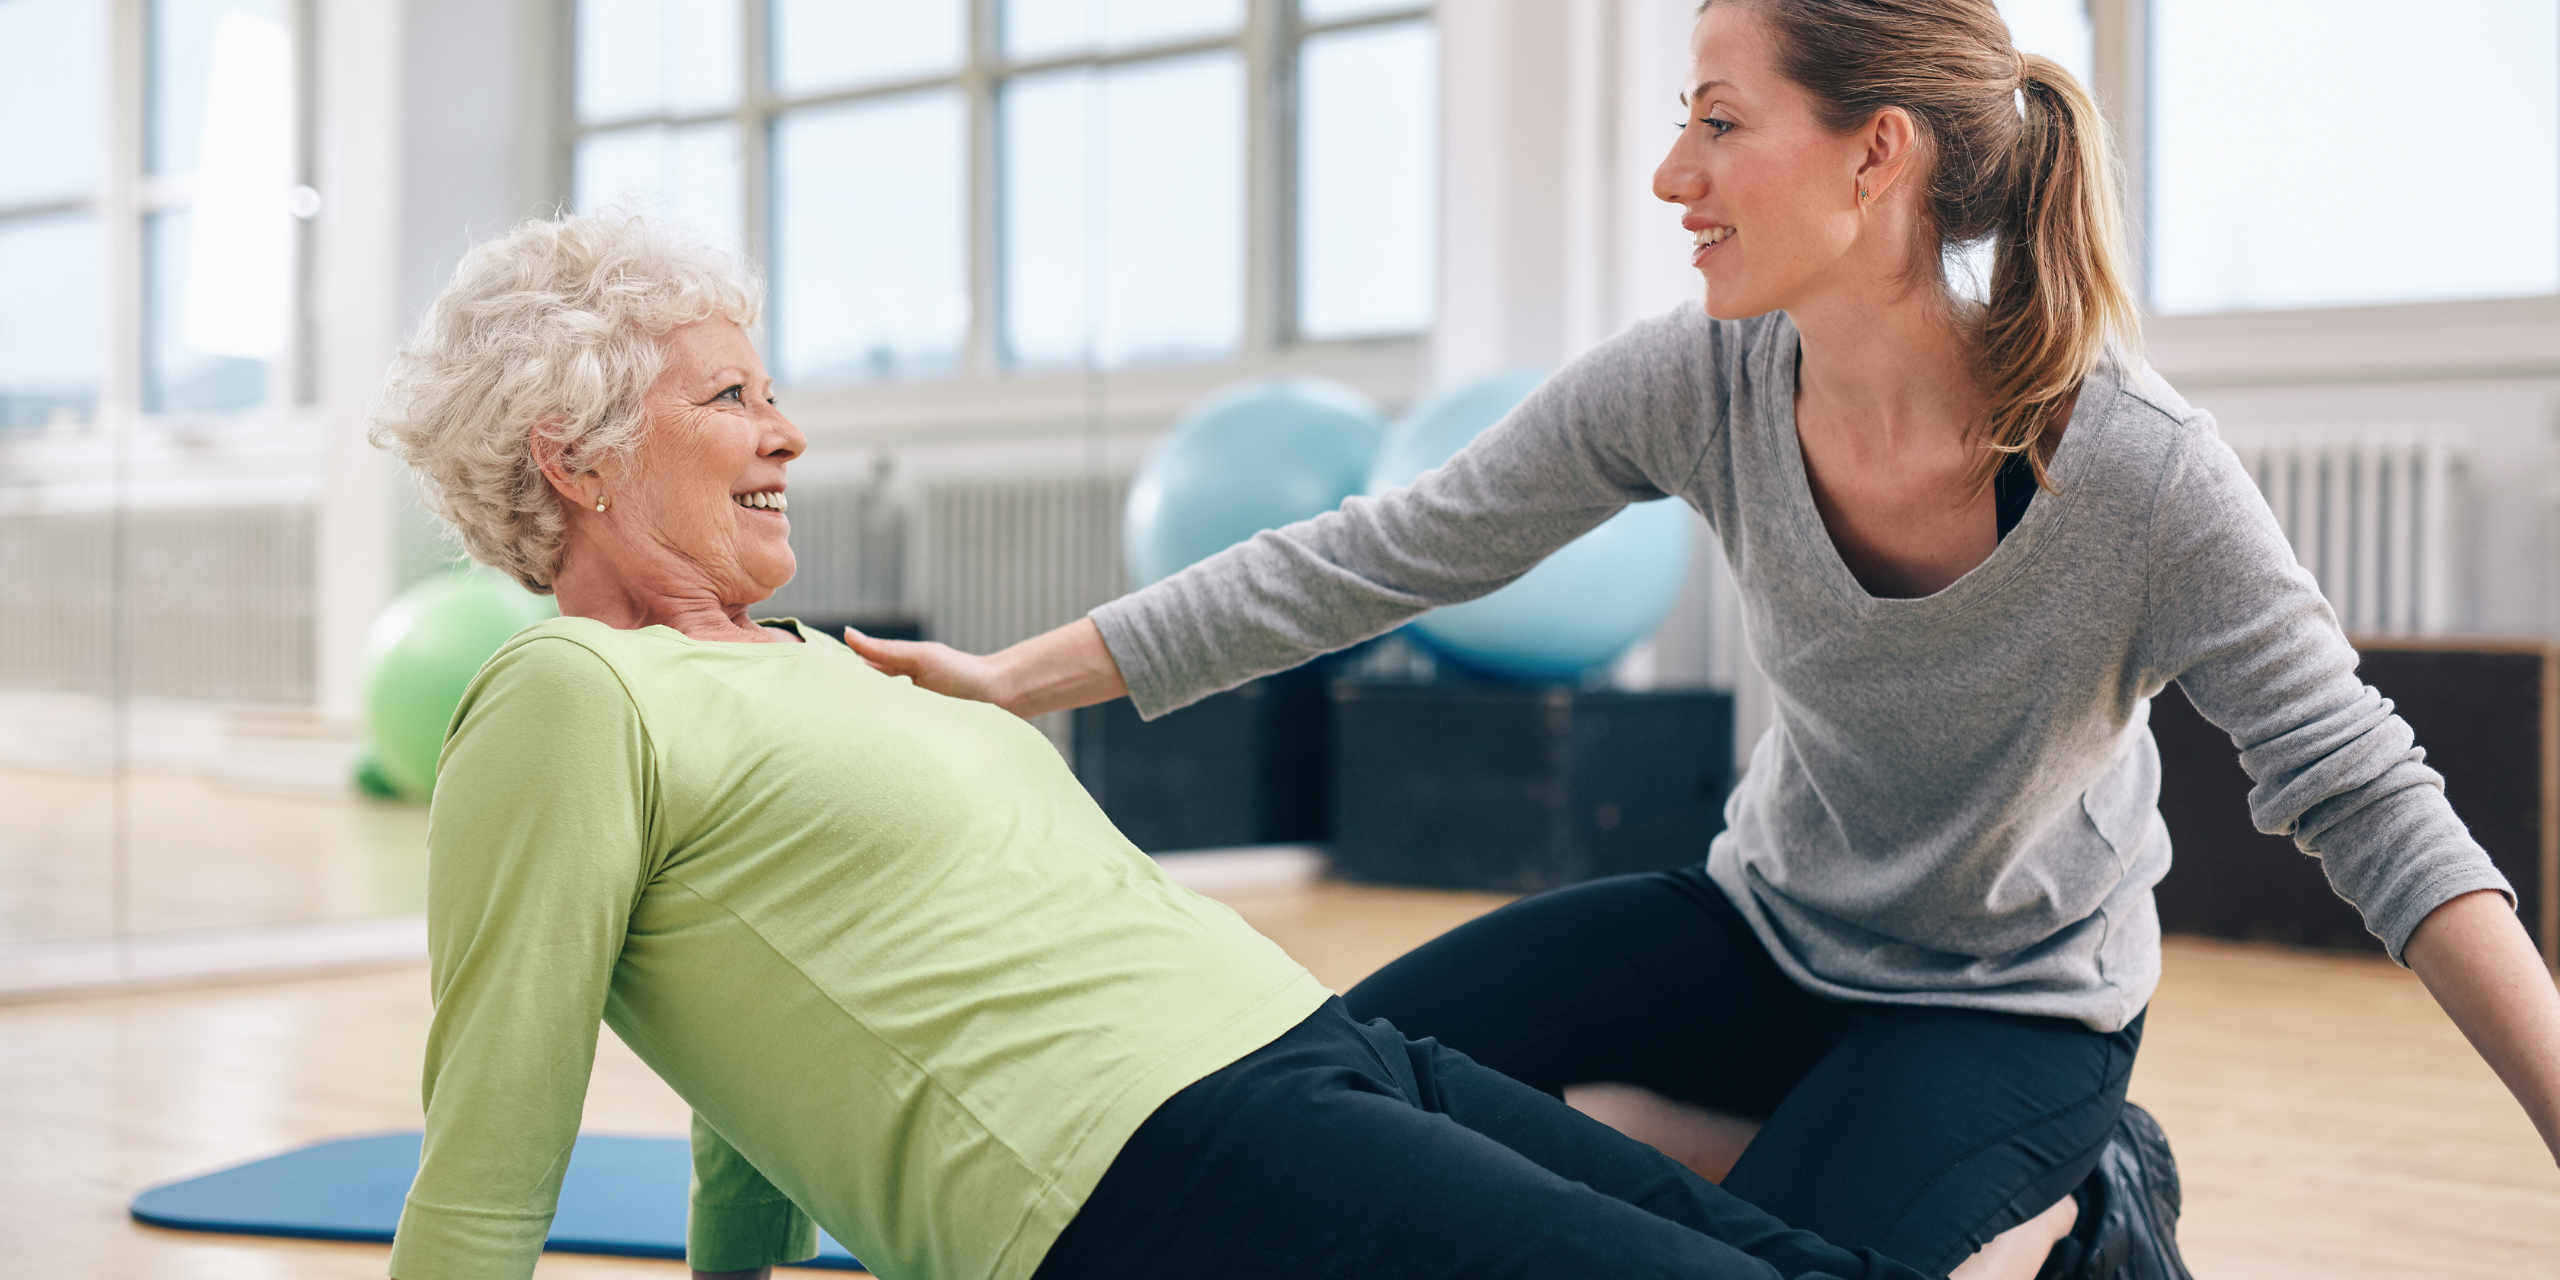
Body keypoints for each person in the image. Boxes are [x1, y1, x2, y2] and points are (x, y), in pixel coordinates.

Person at [847, 2, 2560, 1278]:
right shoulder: (1706, 377)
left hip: (2009, 1011)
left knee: (1732, 1271)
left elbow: (2370, 797)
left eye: (1721, 125)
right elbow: (1390, 550)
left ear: (1875, 153)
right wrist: (1018, 680)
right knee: (1326, 1087)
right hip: (1757, 931)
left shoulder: (2138, 471)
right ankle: (1708, 1140)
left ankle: (2090, 1202)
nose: (1676, 176)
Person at [367, 207, 1952, 1280]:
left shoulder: (804, 665)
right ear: (570, 458)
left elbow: (769, 1025)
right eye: (730, 396)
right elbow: (502, 1112)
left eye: (773, 391)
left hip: (1312, 1045)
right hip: (1145, 1157)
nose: (789, 431)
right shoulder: (573, 695)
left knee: (1780, 1256)